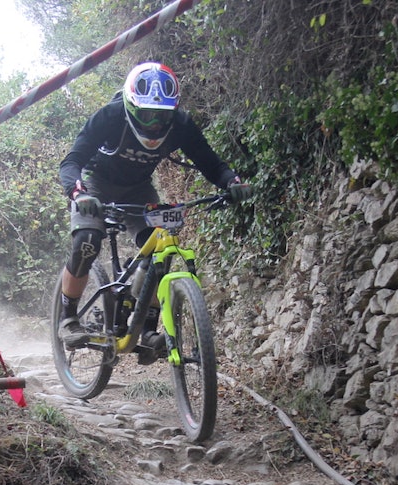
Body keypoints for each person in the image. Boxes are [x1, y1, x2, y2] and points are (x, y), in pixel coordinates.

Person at [56, 61, 253, 363]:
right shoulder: (111, 116)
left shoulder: (181, 125)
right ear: (132, 107)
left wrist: (232, 182)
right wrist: (78, 192)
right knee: (87, 240)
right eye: (147, 114)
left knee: (157, 249)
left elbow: (210, 163)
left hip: (138, 188)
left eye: (162, 116)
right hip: (95, 185)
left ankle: (145, 329)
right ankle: (68, 318)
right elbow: (72, 161)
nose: (155, 123)